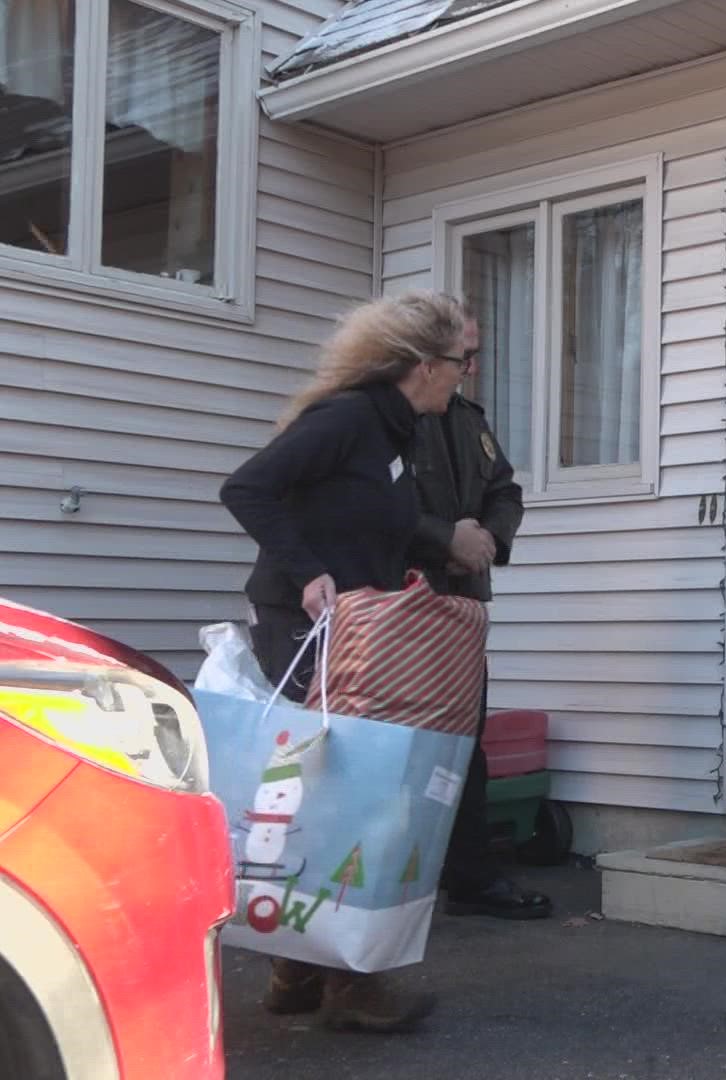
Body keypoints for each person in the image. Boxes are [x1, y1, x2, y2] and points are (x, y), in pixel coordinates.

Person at [220, 289, 473, 1034]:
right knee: (351, 793)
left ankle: (298, 973)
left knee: (326, 790)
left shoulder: (393, 432)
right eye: (462, 361)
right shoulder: (350, 419)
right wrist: (304, 573)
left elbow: (362, 522)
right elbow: (248, 487)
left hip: (354, 632)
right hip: (305, 627)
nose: (467, 374)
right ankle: (349, 986)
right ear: (424, 367)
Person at [406, 319, 551, 921]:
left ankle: (470, 876)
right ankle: (396, 877)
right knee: (399, 743)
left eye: (475, 356)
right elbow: (373, 506)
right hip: (399, 600)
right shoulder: (389, 417)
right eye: (462, 356)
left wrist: (489, 537)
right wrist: (444, 541)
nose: (471, 367)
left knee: (466, 739)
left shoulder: (470, 419)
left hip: (463, 602)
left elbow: (505, 489)